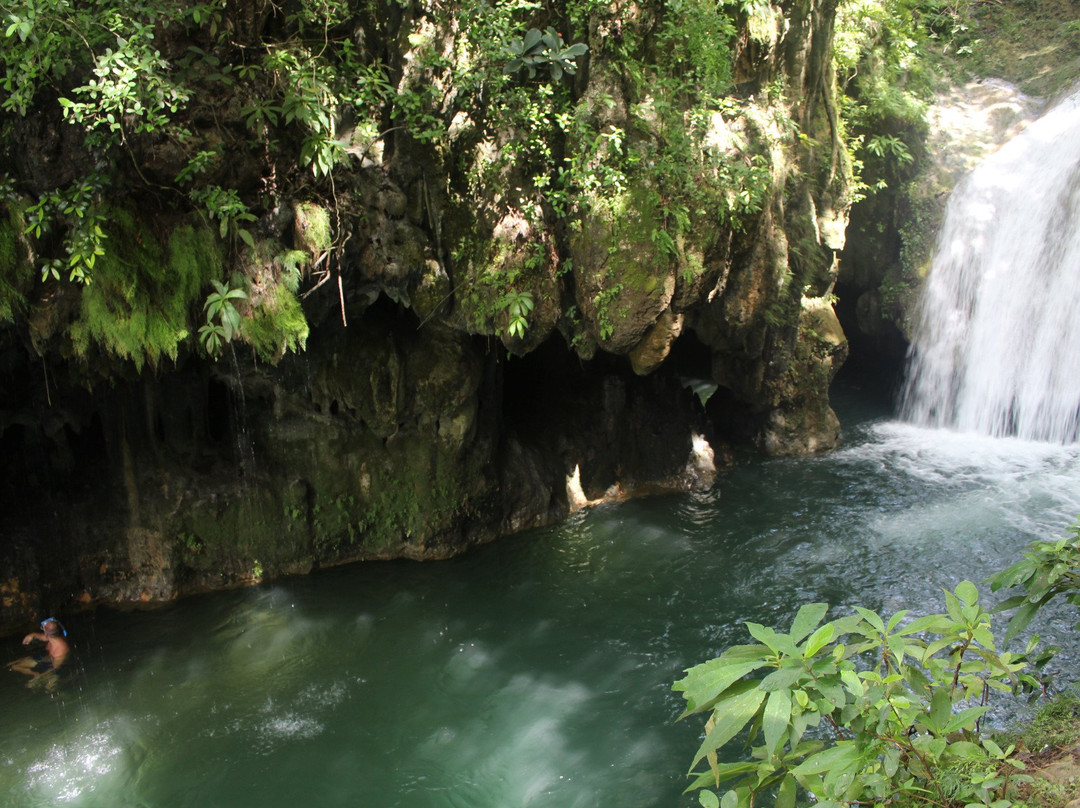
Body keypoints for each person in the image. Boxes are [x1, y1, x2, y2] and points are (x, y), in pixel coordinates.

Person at [8, 618, 70, 689]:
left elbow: (54, 669)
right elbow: (42, 637)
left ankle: (63, 691)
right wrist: (32, 635)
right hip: (45, 658)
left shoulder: (61, 649)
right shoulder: (52, 637)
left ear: (46, 633)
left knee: (48, 688)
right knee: (13, 666)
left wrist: (39, 678)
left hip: (55, 668)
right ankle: (34, 673)